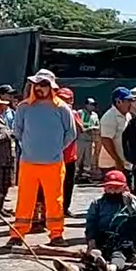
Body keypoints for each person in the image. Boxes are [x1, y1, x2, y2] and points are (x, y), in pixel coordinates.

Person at [9, 69, 77, 246]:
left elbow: (71, 133)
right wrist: (29, 147)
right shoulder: (24, 107)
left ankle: (56, 234)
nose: (39, 87)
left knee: (55, 200)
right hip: (28, 162)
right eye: (37, 84)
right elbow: (17, 131)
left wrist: (56, 149)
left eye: (44, 84)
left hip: (53, 163)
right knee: (25, 199)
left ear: (51, 87)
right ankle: (17, 234)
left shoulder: (62, 108)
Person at [56, 170, 136, 271]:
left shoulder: (134, 201)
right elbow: (91, 222)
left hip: (127, 238)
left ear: (124, 187)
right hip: (105, 237)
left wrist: (131, 208)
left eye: (117, 188)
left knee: (118, 254)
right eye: (110, 188)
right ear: (105, 188)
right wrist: (91, 239)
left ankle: (111, 269)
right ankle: (75, 269)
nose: (113, 192)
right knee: (94, 254)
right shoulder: (98, 203)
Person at [99, 87, 133, 182]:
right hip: (112, 165)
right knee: (114, 192)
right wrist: (117, 161)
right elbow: (106, 140)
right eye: (128, 100)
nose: (131, 103)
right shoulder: (109, 117)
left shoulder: (127, 115)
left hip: (124, 163)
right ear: (118, 102)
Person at [59, 87, 83, 217]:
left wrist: (71, 115)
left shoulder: (73, 113)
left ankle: (65, 207)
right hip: (55, 156)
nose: (64, 101)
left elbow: (80, 130)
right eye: (62, 98)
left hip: (70, 156)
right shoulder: (54, 112)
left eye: (67, 99)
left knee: (68, 184)